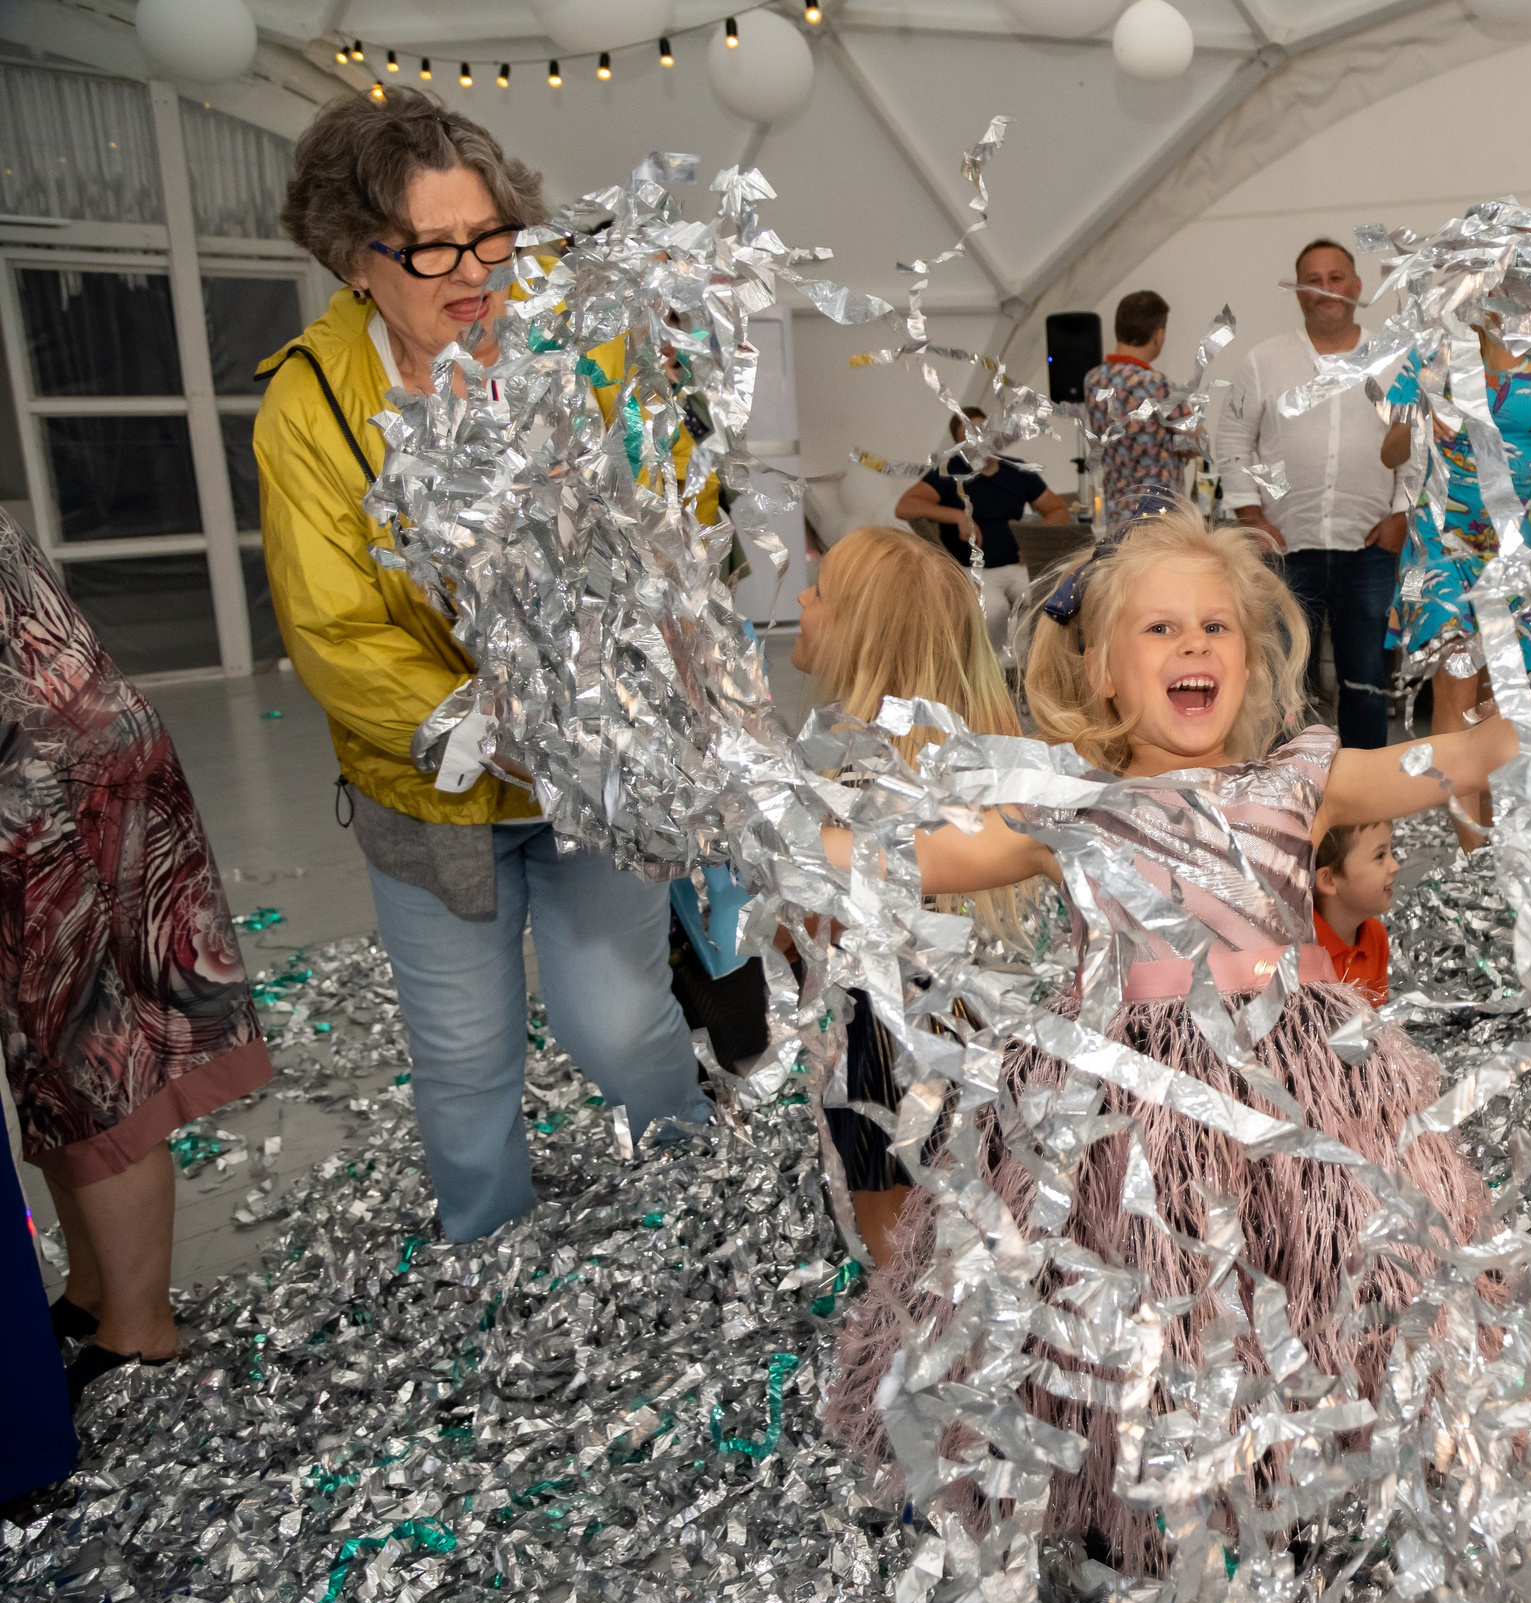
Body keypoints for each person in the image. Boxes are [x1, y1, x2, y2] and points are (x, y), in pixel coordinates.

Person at [824, 506, 1531, 1563]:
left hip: (1307, 1096)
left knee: (1328, 1280)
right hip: (1130, 1117)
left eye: (1215, 626)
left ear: (1251, 657)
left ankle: (1324, 1471)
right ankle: (1167, 1503)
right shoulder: (1074, 807)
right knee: (1157, 1306)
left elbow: (1465, 752)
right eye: (1159, 628)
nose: (1192, 643)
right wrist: (764, 828)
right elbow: (916, 858)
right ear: (1102, 669)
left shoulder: (1302, 779)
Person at [255, 89, 708, 1244]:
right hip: (433, 790)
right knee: (464, 1057)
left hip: (597, 774)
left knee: (618, 1025)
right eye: (433, 247)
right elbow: (335, 628)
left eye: (490, 234)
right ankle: (490, 1256)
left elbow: (681, 505)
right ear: (355, 259)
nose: (474, 270)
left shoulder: (578, 340)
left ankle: (699, 1202)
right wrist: (494, 728)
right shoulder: (311, 403)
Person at [0, 510, 275, 1398]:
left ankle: (141, 1330)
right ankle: (94, 1289)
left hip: (51, 786)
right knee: (44, 1064)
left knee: (92, 1068)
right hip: (50, 766)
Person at [789, 526, 1037, 1266]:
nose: (799, 599)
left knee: (891, 1226)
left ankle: (899, 1316)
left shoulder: (851, 782)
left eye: (818, 592)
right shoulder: (963, 770)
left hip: (883, 1037)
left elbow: (814, 926)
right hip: (968, 1029)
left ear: (857, 636)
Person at [1380, 319, 1531, 846]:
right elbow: (1389, 453)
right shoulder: (1439, 350)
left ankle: (1497, 845)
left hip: (1512, 549)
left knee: (1500, 705)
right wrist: (1422, 416)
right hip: (1440, 540)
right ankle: (1474, 860)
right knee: (1456, 684)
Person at [1214, 238, 1408, 749]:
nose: (1326, 290)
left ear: (1357, 286)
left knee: (1366, 683)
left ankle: (1365, 785)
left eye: (1336, 278)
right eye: (1314, 281)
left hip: (1371, 548)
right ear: (1298, 291)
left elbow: (1418, 442)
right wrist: (1250, 516)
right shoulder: (1263, 361)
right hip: (1283, 549)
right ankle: (1286, 784)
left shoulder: (1395, 360)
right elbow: (1232, 440)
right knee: (1283, 684)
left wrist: (1402, 515)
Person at [895, 406, 1071, 666]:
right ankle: (990, 672)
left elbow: (1057, 509)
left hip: (1017, 565)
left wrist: (1034, 540)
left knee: (1044, 602)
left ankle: (1025, 669)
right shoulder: (949, 472)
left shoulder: (1018, 471)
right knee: (994, 609)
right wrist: (958, 515)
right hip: (975, 569)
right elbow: (905, 506)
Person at [1083, 289, 1200, 529]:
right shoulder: (1157, 384)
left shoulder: (1093, 380)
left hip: (1117, 512)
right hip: (1160, 516)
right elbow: (1196, 439)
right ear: (1158, 335)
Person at [1313, 821, 1397, 1007]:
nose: (1395, 866)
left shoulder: (1375, 936)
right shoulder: (1303, 950)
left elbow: (1373, 1012)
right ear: (1329, 880)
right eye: (1380, 856)